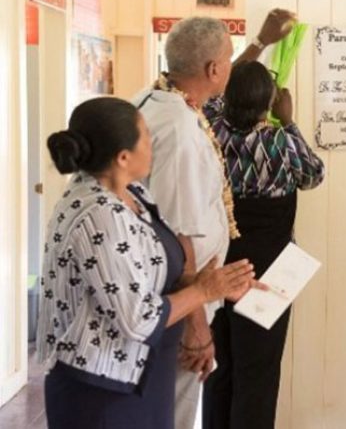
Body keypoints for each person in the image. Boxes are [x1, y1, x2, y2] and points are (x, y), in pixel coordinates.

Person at [36, 97, 259, 429]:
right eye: (145, 136)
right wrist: (203, 290)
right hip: (102, 388)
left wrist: (217, 284)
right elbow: (137, 319)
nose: (152, 143)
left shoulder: (134, 194)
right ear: (123, 157)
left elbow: (152, 268)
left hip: (143, 375)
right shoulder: (99, 215)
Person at [132, 9, 295, 429]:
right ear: (214, 68)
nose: (232, 66)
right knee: (173, 414)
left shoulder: (157, 101)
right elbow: (180, 238)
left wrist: (259, 41)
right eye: (229, 57)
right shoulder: (182, 131)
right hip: (177, 305)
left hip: (173, 300)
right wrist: (197, 328)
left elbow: (223, 82)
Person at [202, 61, 325, 428]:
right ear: (269, 102)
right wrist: (287, 120)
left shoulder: (211, 132)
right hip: (270, 273)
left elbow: (211, 103)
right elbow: (314, 174)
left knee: (218, 367)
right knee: (259, 372)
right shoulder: (282, 142)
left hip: (218, 268)